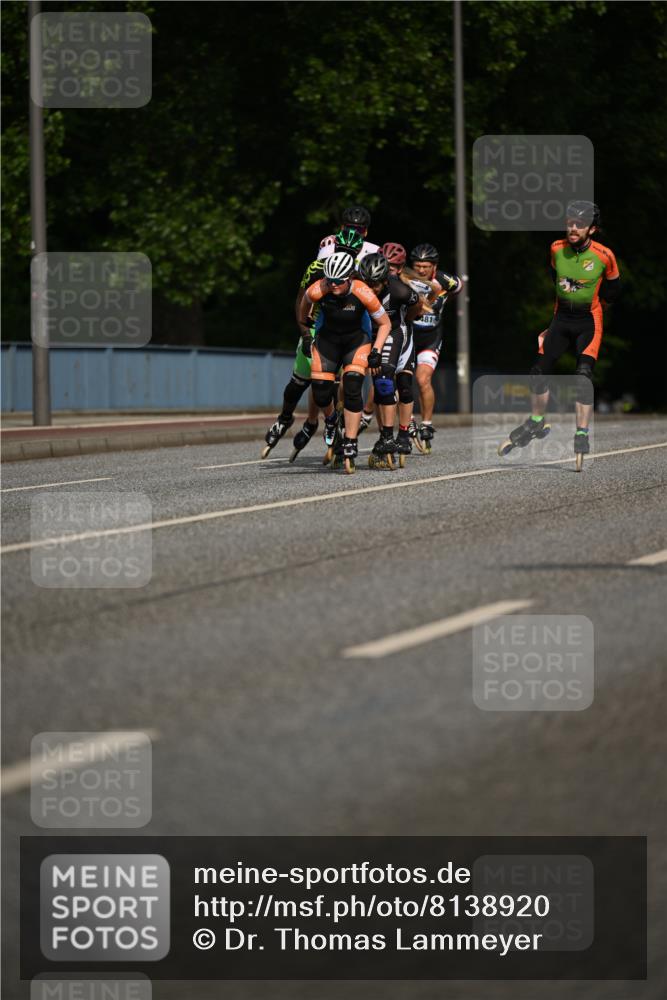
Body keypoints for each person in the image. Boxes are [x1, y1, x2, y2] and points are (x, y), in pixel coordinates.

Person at [499, 201, 620, 467]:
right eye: (570, 223)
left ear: (592, 229)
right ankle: (536, 420)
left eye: (580, 224)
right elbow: (555, 278)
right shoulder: (556, 248)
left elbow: (612, 291)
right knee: (538, 372)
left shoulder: (604, 255)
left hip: (588, 321)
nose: (573, 228)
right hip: (561, 319)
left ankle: (582, 432)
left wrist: (594, 306)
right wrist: (553, 321)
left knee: (583, 375)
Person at [261, 227, 365, 459]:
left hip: (348, 331)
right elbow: (301, 302)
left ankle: (336, 429)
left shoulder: (359, 273)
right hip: (318, 326)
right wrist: (306, 335)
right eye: (341, 249)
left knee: (339, 385)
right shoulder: (318, 267)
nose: (345, 254)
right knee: (299, 382)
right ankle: (285, 418)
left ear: (358, 253)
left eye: (351, 252)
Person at [298, 251, 391, 473]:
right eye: (330, 280)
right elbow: (304, 303)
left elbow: (385, 324)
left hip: (356, 341)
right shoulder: (319, 288)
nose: (333, 285)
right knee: (320, 392)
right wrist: (306, 329)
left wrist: (376, 351)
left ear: (350, 277)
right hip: (327, 341)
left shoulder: (362, 291)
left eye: (338, 281)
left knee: (352, 386)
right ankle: (331, 421)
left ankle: (350, 440)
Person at [357, 251, 421, 467]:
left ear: (385, 280)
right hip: (369, 334)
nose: (370, 288)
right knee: (379, 386)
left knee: (399, 384)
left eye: (374, 284)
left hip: (395, 331)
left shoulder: (399, 290)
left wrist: (407, 320)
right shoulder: (356, 287)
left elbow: (417, 305)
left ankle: (401, 435)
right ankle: (385, 436)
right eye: (366, 283)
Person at [405, 243, 463, 451]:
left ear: (434, 267)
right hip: (409, 336)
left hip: (431, 337)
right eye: (418, 266)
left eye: (426, 266)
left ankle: (427, 425)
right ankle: (408, 420)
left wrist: (444, 300)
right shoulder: (405, 279)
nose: (421, 270)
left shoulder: (445, 280)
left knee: (423, 379)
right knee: (402, 380)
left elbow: (458, 288)